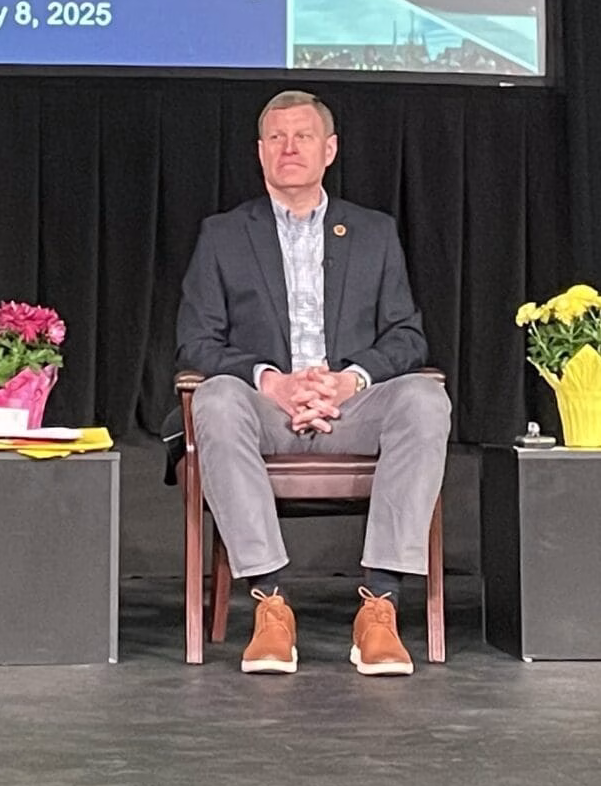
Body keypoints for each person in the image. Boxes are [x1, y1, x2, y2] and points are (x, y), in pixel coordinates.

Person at [177, 90, 450, 676]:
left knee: (426, 398)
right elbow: (196, 342)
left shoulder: (374, 232)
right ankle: (269, 605)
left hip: (352, 404)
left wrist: (350, 381)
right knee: (216, 396)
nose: (289, 148)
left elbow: (408, 337)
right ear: (259, 152)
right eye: (276, 138)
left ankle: (380, 606)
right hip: (265, 408)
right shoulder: (224, 234)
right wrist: (271, 382)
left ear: (329, 150)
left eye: (302, 136)